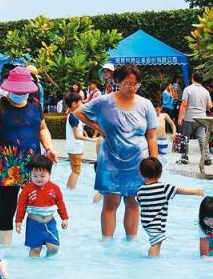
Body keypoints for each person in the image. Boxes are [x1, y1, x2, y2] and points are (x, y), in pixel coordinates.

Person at [74, 64, 158, 241]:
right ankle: (107, 242)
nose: (132, 87)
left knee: (133, 202)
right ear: (118, 82)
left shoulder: (145, 105)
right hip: (111, 159)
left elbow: (151, 136)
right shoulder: (105, 102)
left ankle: (131, 240)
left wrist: (154, 165)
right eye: (128, 83)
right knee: (111, 202)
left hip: (138, 161)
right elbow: (78, 112)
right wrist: (98, 128)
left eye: (136, 84)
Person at [0, 66, 56, 246]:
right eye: (16, 90)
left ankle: (37, 243)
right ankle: (6, 249)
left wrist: (49, 148)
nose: (20, 93)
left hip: (33, 166)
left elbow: (43, 129)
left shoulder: (35, 105)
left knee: (39, 204)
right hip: (4, 165)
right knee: (7, 208)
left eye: (23, 90)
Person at [136, 157, 204, 257]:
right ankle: (152, 260)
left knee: (156, 242)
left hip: (147, 222)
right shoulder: (163, 187)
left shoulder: (140, 190)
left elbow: (140, 202)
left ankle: (154, 257)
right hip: (156, 223)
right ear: (160, 174)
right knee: (156, 244)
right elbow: (179, 190)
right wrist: (196, 192)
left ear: (141, 174)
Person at [15, 155, 68, 257]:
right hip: (34, 224)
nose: (38, 178)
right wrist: (18, 221)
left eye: (42, 176)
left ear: (50, 174)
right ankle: (34, 270)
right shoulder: (27, 189)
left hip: (50, 223)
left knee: (54, 248)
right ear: (30, 174)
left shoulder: (54, 188)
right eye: (35, 176)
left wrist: (64, 218)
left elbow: (60, 203)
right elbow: (21, 206)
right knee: (35, 249)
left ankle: (47, 263)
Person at [178, 71, 213, 166]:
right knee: (202, 138)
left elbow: (184, 104)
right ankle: (206, 158)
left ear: (192, 77)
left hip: (189, 117)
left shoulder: (188, 89)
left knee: (185, 137)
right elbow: (210, 105)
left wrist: (180, 118)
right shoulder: (205, 91)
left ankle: (184, 157)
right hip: (201, 118)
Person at [64, 93, 98, 190]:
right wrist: (92, 140)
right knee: (76, 171)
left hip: (73, 147)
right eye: (80, 102)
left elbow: (78, 131)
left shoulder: (72, 116)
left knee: (74, 170)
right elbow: (77, 136)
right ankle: (71, 191)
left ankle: (69, 189)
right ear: (74, 104)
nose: (82, 103)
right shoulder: (73, 117)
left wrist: (85, 134)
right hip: (74, 147)